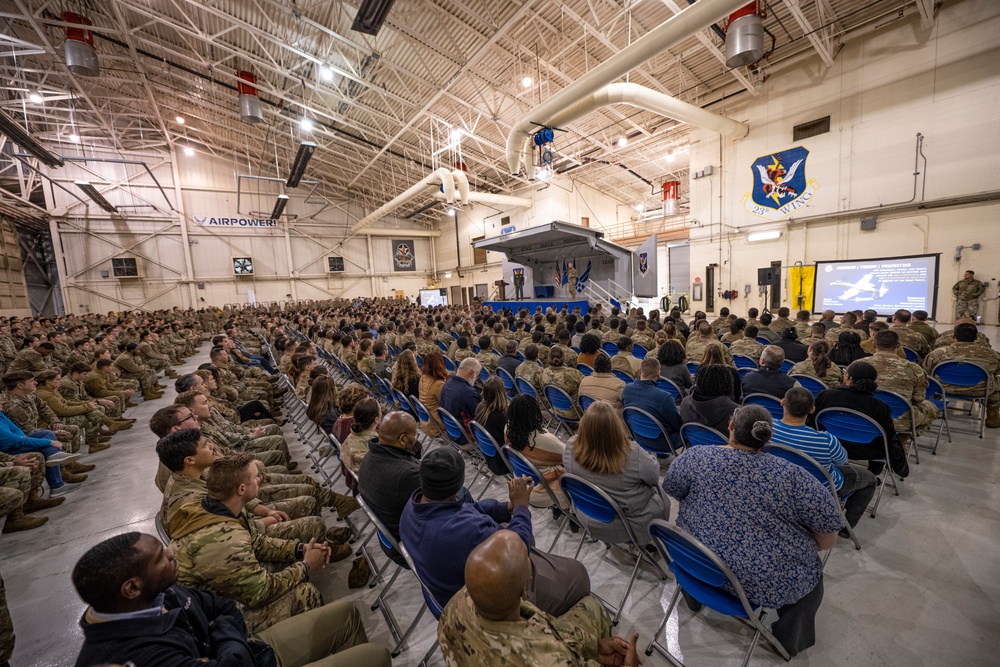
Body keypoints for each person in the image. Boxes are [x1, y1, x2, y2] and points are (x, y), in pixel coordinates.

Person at [662, 405, 843, 658]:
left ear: (731, 426)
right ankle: (788, 643)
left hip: (693, 560)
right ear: (768, 436)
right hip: (760, 584)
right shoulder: (795, 477)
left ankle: (693, 599)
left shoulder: (694, 457)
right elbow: (827, 540)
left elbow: (673, 490)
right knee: (811, 579)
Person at [71, 532, 390, 667]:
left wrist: (223, 642)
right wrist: (226, 641)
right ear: (131, 587)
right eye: (160, 557)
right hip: (241, 654)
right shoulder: (129, 655)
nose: (171, 553)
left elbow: (221, 609)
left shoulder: (159, 591)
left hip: (245, 650)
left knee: (347, 612)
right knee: (374, 656)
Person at [400, 448, 590, 614]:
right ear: (459, 484)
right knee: (578, 575)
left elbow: (469, 509)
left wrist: (508, 507)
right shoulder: (469, 531)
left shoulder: (412, 506)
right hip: (485, 605)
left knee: (523, 535)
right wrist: (522, 507)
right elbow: (517, 547)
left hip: (448, 583)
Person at [169, 452, 332, 632]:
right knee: (306, 594)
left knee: (290, 562)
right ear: (241, 489)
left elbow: (259, 543)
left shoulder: (220, 506)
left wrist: (300, 549)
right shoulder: (225, 540)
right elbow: (260, 593)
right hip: (211, 620)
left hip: (218, 589)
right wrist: (306, 565)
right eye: (256, 477)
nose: (260, 479)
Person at [437, 530, 641, 667]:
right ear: (524, 592)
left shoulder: (456, 605)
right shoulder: (550, 661)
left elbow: (544, 626)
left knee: (591, 607)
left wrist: (594, 647)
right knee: (593, 606)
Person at [563, 401, 670, 546]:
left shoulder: (570, 446)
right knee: (661, 491)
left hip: (587, 516)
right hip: (627, 527)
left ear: (584, 425)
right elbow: (654, 477)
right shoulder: (633, 455)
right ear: (616, 427)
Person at [770, 388, 877, 529]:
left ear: (782, 402)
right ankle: (845, 528)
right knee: (870, 479)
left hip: (776, 482)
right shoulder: (826, 440)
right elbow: (843, 461)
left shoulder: (767, 428)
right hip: (818, 491)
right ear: (812, 410)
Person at [810, 362, 910, 478]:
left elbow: (812, 423)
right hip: (867, 451)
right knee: (882, 438)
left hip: (830, 444)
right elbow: (889, 437)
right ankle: (873, 474)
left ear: (848, 377)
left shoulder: (825, 396)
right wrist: (900, 465)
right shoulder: (880, 407)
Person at [860, 330, 938, 438]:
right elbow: (918, 398)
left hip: (863, 417)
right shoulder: (914, 368)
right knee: (931, 407)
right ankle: (903, 439)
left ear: (873, 344)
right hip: (899, 421)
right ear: (898, 345)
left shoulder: (858, 365)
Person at [923, 321, 1000, 428]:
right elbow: (997, 370)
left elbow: (927, 371)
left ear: (953, 337)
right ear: (977, 337)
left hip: (943, 388)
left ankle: (934, 407)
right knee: (996, 381)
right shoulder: (991, 354)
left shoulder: (938, 353)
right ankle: (993, 415)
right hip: (980, 389)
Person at [505, 395, 569, 509]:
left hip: (521, 484)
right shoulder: (542, 440)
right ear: (534, 414)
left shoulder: (508, 431)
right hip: (544, 490)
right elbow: (570, 456)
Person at [622, 358, 682, 450]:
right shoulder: (664, 397)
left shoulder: (627, 389)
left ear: (640, 370)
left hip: (638, 437)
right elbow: (677, 425)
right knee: (690, 432)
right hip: (663, 442)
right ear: (658, 373)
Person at [679, 365, 740, 434]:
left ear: (698, 382)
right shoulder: (737, 412)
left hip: (693, 444)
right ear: (728, 384)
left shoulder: (685, 404)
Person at [473, 377, 512, 475]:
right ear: (502, 393)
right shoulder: (499, 416)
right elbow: (512, 441)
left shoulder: (480, 409)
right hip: (504, 462)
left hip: (490, 458)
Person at [439, 357, 482, 443]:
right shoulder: (468, 393)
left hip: (452, 431)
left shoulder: (447, 383)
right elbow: (481, 417)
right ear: (471, 373)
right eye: (477, 375)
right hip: (464, 437)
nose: (477, 379)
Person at [540, 347, 583, 420]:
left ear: (548, 358)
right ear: (563, 358)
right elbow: (586, 384)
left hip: (555, 409)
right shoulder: (572, 373)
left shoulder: (544, 373)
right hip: (575, 412)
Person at [341, 397, 380, 475]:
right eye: (380, 410)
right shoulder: (376, 445)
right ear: (376, 419)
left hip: (354, 480)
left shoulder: (350, 437)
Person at [418, 351, 448, 438]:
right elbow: (446, 404)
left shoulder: (423, 377)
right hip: (436, 424)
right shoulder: (438, 384)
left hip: (426, 420)